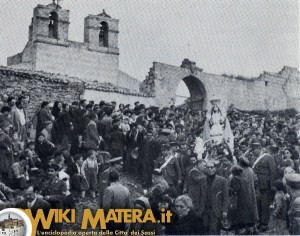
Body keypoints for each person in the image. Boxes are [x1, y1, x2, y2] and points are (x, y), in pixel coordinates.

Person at [251, 140, 276, 232]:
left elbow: (273, 172)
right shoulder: (255, 159)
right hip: (258, 186)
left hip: (266, 185)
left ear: (259, 149)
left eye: (253, 150)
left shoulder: (268, 157)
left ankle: (265, 224)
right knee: (259, 204)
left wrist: (272, 185)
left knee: (265, 205)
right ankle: (260, 222)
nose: (252, 152)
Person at [198, 161, 229, 234]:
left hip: (216, 210)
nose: (210, 169)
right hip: (204, 210)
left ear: (215, 168)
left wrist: (225, 210)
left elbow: (225, 197)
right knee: (204, 230)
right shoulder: (202, 180)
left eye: (211, 167)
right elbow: (199, 195)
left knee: (214, 230)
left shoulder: (222, 180)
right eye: (208, 167)